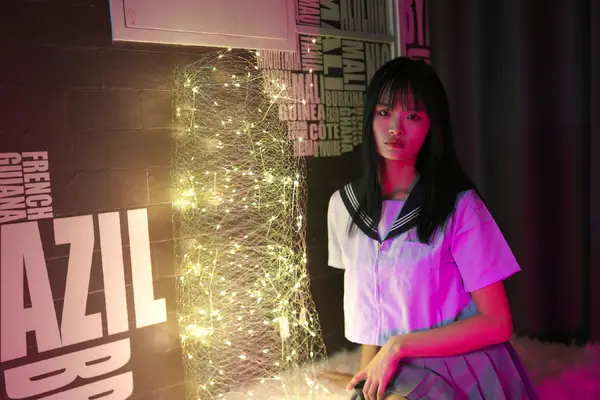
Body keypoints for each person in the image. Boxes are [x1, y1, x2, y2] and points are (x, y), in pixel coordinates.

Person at [317, 57, 539, 400]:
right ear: (369, 119)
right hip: (393, 366)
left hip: (456, 361)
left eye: (413, 116)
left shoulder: (459, 207)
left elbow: (497, 322)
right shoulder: (342, 207)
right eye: (384, 112)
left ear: (431, 126)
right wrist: (365, 383)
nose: (395, 128)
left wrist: (397, 347)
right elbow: (372, 315)